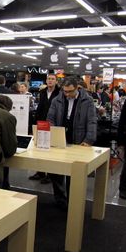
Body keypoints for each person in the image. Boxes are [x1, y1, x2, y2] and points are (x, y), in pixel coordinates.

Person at [47, 75, 97, 209]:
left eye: (70, 91)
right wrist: (51, 132)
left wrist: (89, 139)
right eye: (65, 91)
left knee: (74, 175)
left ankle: (72, 201)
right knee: (55, 171)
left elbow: (92, 121)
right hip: (59, 140)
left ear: (77, 88)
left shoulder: (88, 101)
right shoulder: (57, 100)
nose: (67, 94)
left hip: (78, 141)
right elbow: (50, 118)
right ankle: (60, 199)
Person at [29, 73, 60, 184]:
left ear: (56, 81)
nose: (50, 81)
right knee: (41, 148)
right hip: (41, 122)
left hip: (53, 123)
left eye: (52, 79)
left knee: (52, 150)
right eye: (48, 79)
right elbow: (40, 107)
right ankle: (40, 172)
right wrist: (36, 121)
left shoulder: (60, 93)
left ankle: (50, 174)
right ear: (46, 81)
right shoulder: (42, 92)